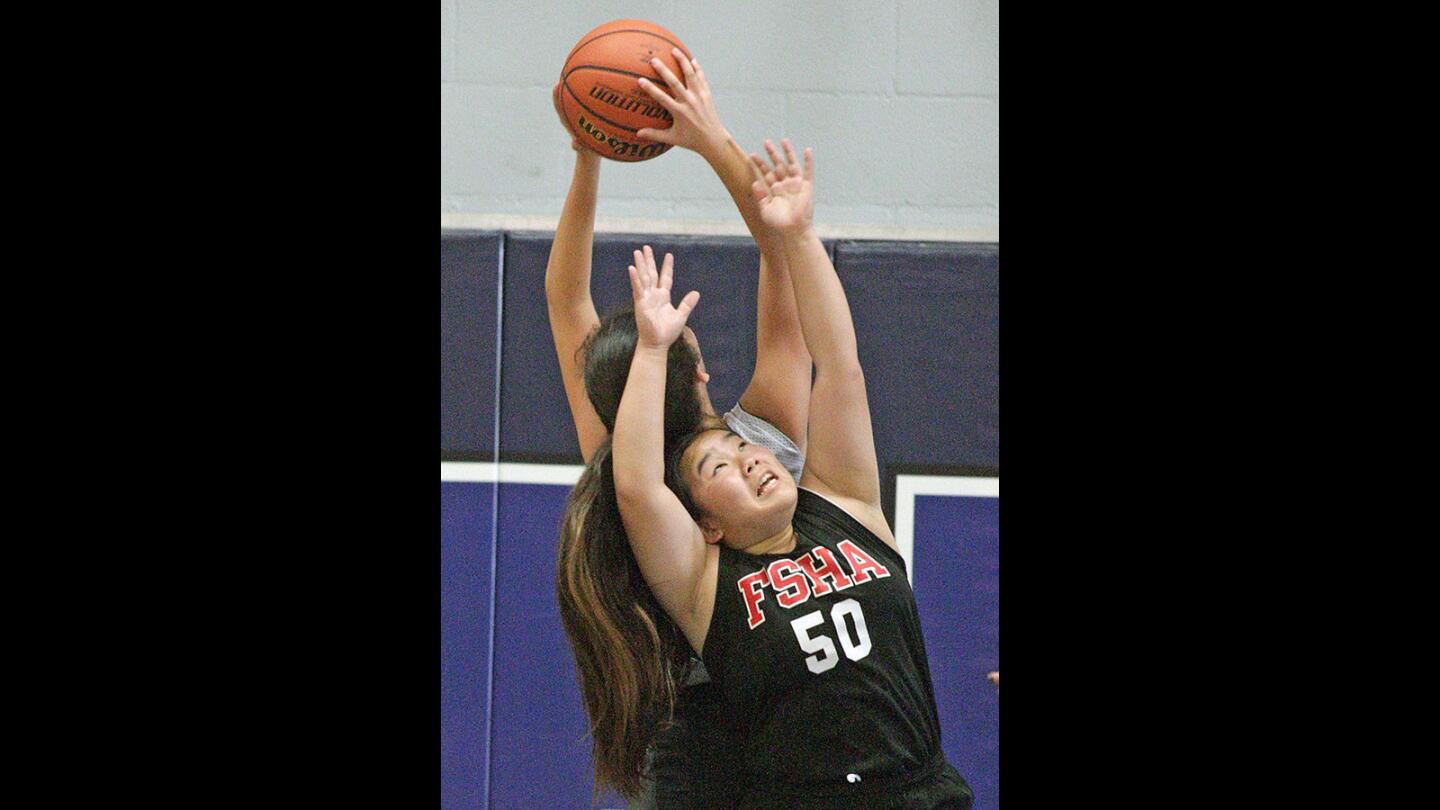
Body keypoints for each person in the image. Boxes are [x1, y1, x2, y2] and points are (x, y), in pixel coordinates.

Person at [598, 140, 974, 808]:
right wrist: (654, 349)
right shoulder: (705, 585)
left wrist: (799, 235)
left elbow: (840, 364)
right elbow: (635, 486)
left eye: (750, 453)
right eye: (721, 466)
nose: (752, 460)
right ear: (706, 522)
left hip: (922, 792)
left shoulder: (847, 505)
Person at [548, 51, 811, 807]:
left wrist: (589, 156)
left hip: (690, 751)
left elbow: (567, 297)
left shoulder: (618, 464)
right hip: (787, 729)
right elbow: (782, 257)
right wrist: (709, 137)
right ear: (694, 370)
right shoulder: (767, 442)